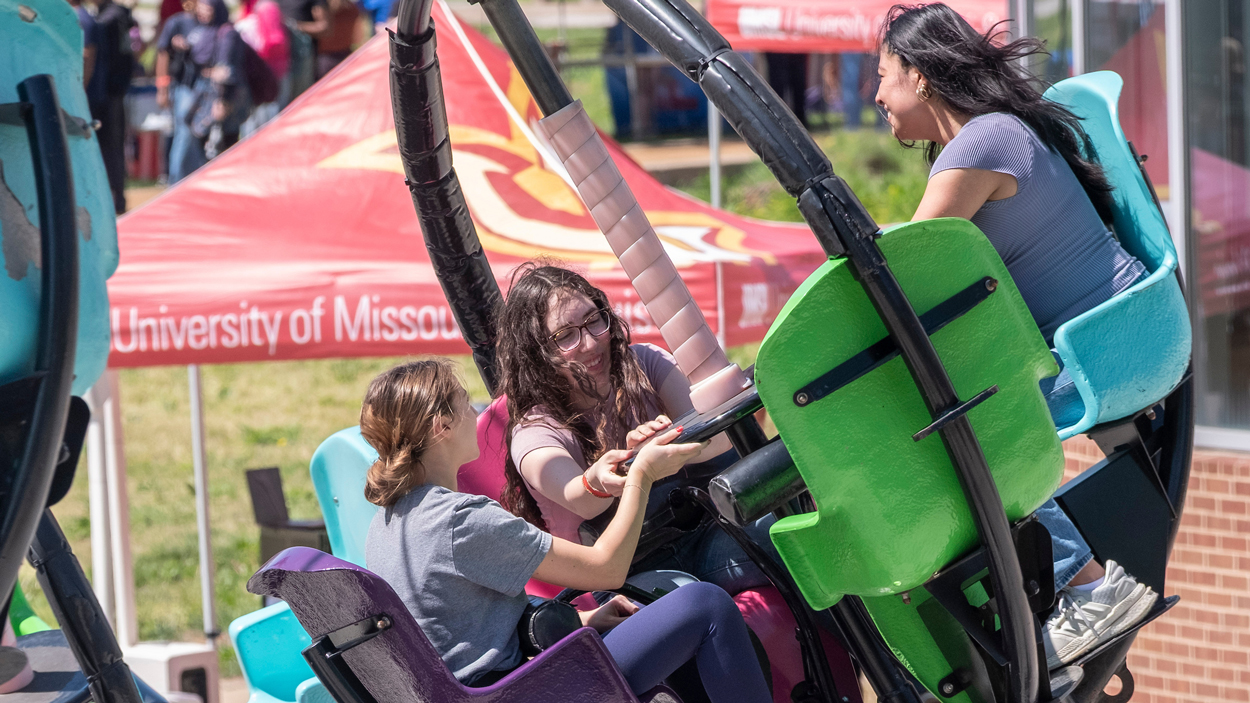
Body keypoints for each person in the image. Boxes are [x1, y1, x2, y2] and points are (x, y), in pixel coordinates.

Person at [875, 3, 1158, 670]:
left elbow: (903, 272)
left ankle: (1086, 586)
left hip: (1104, 349)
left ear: (919, 76)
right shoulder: (990, 136)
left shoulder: (977, 144)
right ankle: (1058, 593)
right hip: (1117, 335)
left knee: (963, 430)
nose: (875, 95)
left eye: (882, 75)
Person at [360, 359, 771, 701]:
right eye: (465, 404)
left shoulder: (385, 524)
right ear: (441, 427)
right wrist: (642, 474)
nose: (475, 414)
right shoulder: (462, 520)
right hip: (527, 690)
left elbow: (461, 628)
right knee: (704, 604)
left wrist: (586, 620)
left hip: (492, 688)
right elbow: (605, 569)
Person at [495, 263, 779, 596]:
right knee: (688, 596)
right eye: (566, 336)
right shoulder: (535, 430)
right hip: (626, 576)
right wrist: (628, 467)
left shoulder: (644, 363)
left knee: (789, 536)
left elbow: (717, 441)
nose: (589, 342)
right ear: (536, 353)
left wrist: (671, 439)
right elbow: (582, 500)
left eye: (593, 320)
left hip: (706, 531)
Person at [156, 0, 250, 182]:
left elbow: (225, 68)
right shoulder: (183, 24)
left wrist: (222, 98)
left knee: (206, 140)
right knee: (187, 135)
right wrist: (163, 87)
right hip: (191, 89)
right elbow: (164, 53)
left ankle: (192, 182)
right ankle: (179, 182)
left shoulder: (224, 32)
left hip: (215, 94)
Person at [87, 0, 136, 213]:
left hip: (108, 93)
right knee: (112, 147)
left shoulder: (109, 19)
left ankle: (115, 199)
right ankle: (116, 197)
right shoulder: (115, 16)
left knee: (109, 147)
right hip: (113, 91)